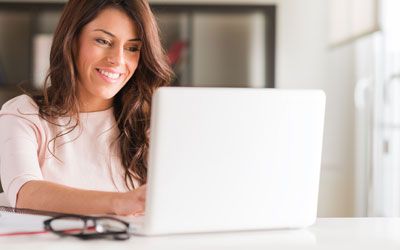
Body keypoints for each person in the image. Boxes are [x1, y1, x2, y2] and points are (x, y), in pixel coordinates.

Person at [0, 0, 172, 216]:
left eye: (132, 48)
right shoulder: (23, 114)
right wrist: (119, 202)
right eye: (103, 41)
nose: (118, 60)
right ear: (72, 40)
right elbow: (24, 193)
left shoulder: (150, 121)